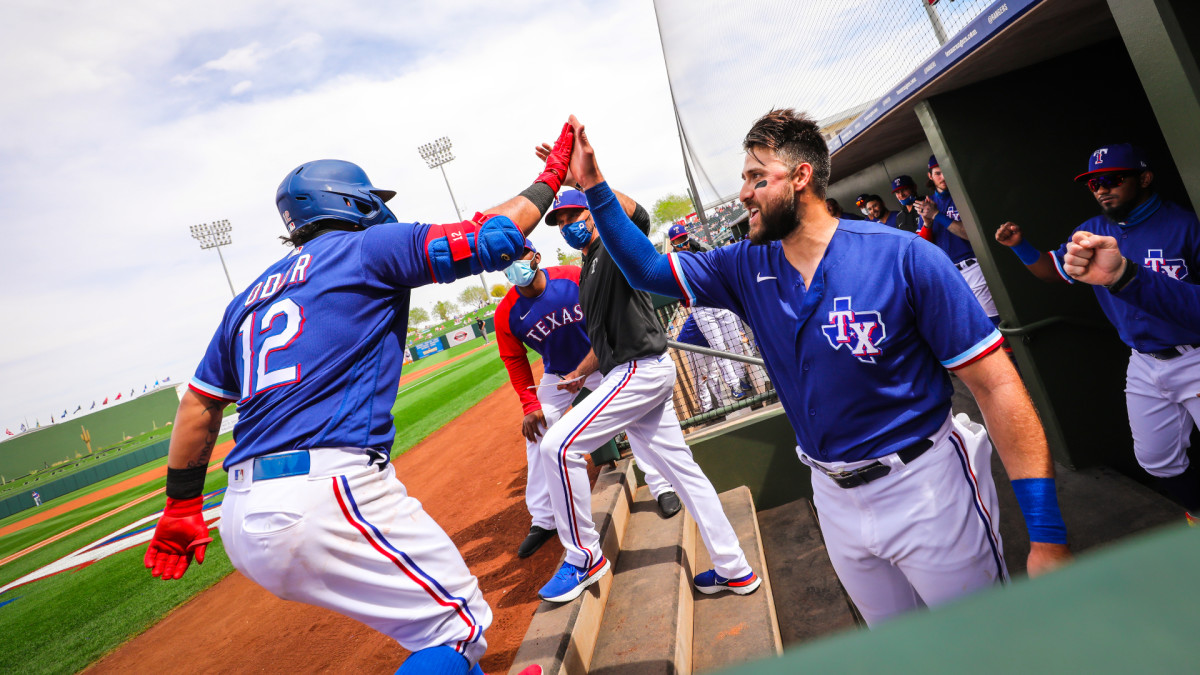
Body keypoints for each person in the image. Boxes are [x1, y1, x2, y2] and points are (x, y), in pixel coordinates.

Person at [568, 109, 1072, 626]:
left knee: (988, 642)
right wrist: (593, 185)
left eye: (756, 177)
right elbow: (648, 270)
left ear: (801, 177)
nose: (743, 194)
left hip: (925, 487)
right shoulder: (745, 264)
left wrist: (1048, 535)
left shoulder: (905, 257)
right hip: (831, 493)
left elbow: (996, 386)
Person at [143, 123, 577, 675]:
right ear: (349, 201)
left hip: (240, 516)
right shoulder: (365, 248)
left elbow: (199, 405)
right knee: (457, 628)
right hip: (325, 490)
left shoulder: (246, 299)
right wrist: (552, 175)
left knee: (436, 621)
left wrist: (181, 505)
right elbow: (493, 236)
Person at [528, 176, 760, 604]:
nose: (565, 224)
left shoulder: (611, 248)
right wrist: (580, 371)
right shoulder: (587, 268)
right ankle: (735, 569)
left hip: (639, 371)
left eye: (572, 215)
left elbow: (638, 217)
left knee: (557, 447)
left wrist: (589, 181)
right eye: (559, 220)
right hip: (635, 371)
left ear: (591, 214)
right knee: (684, 474)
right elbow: (604, 338)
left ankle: (583, 557)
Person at [995, 143, 1200, 522]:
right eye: (1094, 184)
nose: (1102, 189)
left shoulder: (1186, 225)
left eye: (1112, 179)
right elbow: (1053, 271)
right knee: (1157, 460)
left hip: (1195, 355)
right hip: (1143, 361)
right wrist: (1020, 247)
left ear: (1144, 178)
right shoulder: (1090, 231)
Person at [493, 239, 681, 561]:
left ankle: (662, 485)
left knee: (636, 415)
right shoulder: (505, 313)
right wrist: (531, 406)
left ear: (536, 256)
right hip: (558, 374)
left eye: (520, 254)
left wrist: (583, 370)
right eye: (506, 259)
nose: (514, 263)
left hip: (602, 360)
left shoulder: (570, 278)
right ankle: (544, 519)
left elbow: (607, 323)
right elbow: (515, 362)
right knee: (537, 428)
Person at [915, 155, 999, 322]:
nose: (943, 177)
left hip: (974, 267)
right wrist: (927, 223)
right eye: (937, 173)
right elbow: (923, 249)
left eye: (945, 172)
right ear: (930, 176)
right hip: (949, 275)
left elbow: (970, 234)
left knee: (993, 323)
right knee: (969, 326)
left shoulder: (962, 197)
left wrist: (937, 215)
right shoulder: (928, 203)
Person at [1063, 231, 1200, 330]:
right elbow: (1060, 264)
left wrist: (1123, 274)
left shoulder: (1187, 223)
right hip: (1139, 356)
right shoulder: (1090, 228)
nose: (1101, 193)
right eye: (1093, 188)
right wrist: (1119, 274)